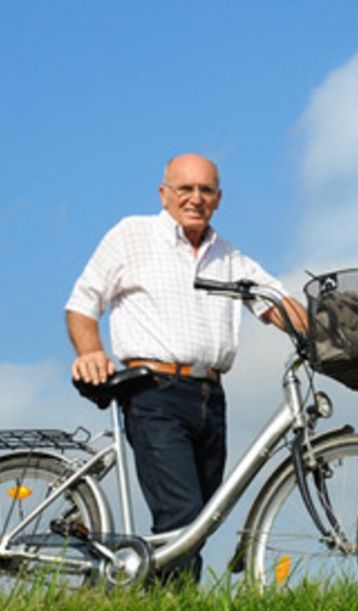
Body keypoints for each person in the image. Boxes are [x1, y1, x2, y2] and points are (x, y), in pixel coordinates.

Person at [66, 153, 308, 584]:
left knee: (201, 521)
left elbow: (276, 304)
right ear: (164, 194)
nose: (195, 199)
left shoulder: (229, 257)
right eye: (185, 189)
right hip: (153, 392)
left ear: (218, 198)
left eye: (206, 190)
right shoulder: (131, 235)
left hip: (210, 400)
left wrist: (331, 330)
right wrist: (91, 352)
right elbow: (82, 306)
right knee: (181, 514)